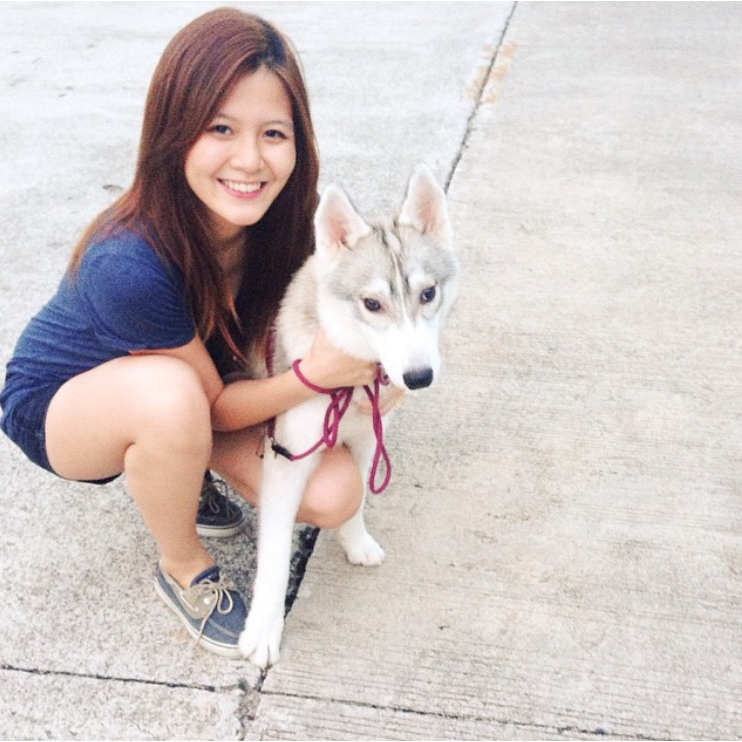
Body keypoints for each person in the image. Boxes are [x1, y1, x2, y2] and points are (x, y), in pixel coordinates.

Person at [0, 7, 397, 659]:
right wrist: (315, 377)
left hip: (198, 389)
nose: (250, 159)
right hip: (63, 406)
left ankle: (178, 465)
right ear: (173, 130)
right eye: (220, 128)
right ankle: (184, 567)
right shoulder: (127, 262)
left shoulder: (286, 223)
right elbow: (212, 404)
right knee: (170, 397)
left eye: (274, 133)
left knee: (333, 492)